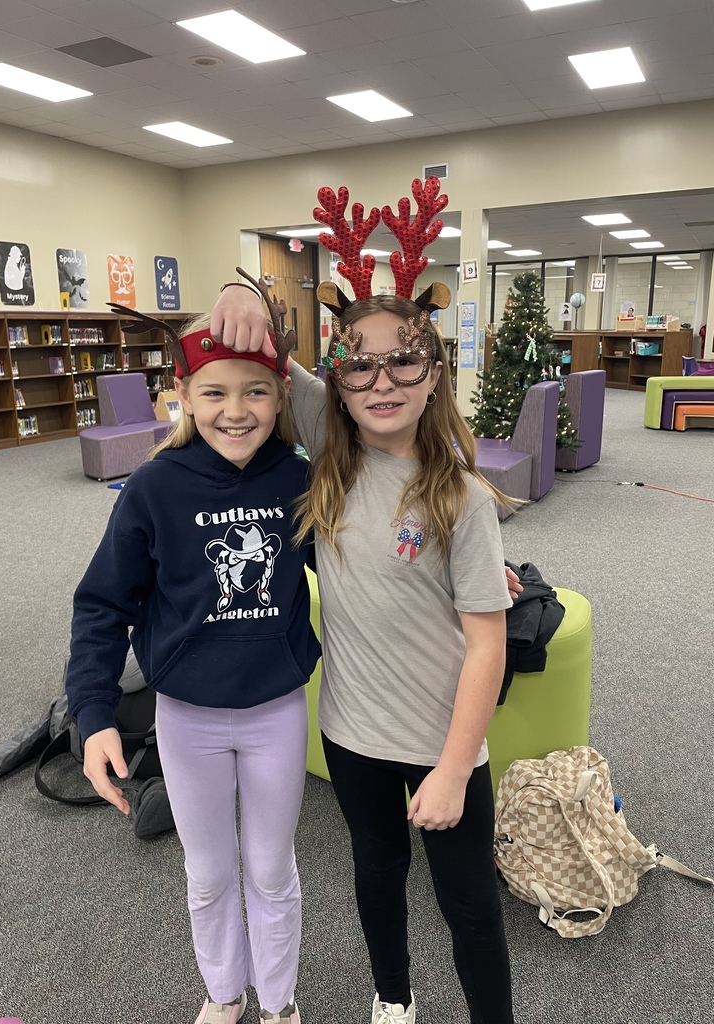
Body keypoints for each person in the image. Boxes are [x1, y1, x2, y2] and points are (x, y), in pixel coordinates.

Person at [211, 242, 518, 1022]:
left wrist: (452, 772)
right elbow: (249, 340)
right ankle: (392, 999)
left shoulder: (464, 500)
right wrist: (234, 290)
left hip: (443, 744)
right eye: (360, 366)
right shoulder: (331, 440)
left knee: (470, 907)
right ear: (339, 384)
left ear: (435, 373)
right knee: (376, 877)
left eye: (404, 363)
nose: (381, 382)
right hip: (351, 736)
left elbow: (488, 644)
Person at [65, 310, 320, 1024]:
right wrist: (92, 717)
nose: (236, 412)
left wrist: (482, 571)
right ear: (182, 393)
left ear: (281, 395)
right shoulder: (154, 487)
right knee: (208, 875)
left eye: (256, 392)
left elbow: (372, 555)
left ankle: (277, 1000)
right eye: (214, 393)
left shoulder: (301, 479)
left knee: (272, 871)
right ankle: (224, 992)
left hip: (276, 710)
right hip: (187, 718)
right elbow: (100, 605)